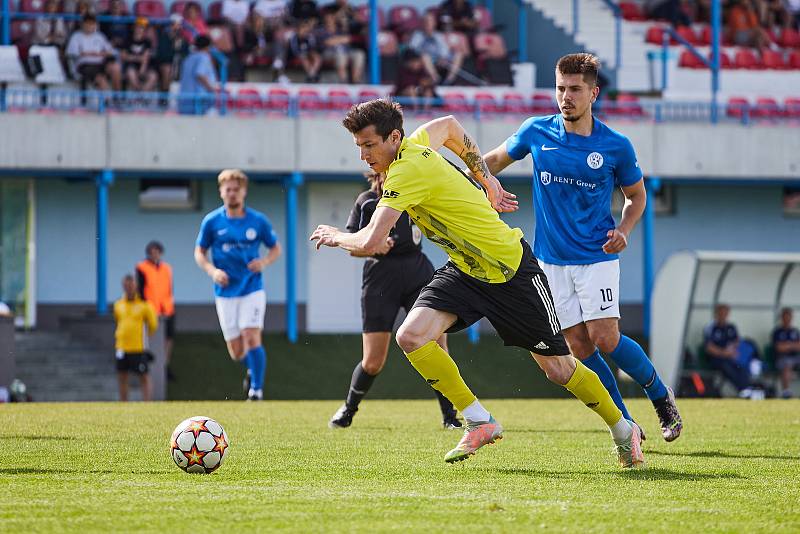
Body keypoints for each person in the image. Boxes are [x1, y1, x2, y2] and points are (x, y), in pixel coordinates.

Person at [310, 99, 645, 469]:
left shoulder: (405, 170)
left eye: (369, 145)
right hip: (467, 270)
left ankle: (621, 429)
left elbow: (372, 241)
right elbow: (451, 126)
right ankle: (478, 419)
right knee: (411, 336)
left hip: (510, 270)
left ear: (393, 137)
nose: (363, 155)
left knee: (559, 370)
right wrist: (485, 177)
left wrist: (336, 236)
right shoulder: (416, 142)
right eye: (358, 147)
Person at [479, 53, 682, 442]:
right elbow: (490, 163)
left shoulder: (615, 145)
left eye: (574, 89)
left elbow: (636, 197)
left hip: (597, 257)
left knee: (605, 337)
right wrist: (469, 180)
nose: (565, 96)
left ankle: (659, 394)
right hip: (550, 262)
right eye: (560, 88)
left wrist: (625, 227)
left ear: (593, 92)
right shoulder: (536, 131)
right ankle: (627, 424)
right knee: (577, 345)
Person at [328, 170, 461, 430]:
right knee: (373, 361)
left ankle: (450, 416)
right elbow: (351, 244)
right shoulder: (366, 201)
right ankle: (348, 409)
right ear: (376, 175)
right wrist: (372, 246)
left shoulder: (415, 195)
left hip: (417, 273)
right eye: (384, 172)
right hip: (380, 279)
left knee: (436, 347)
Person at [194, 169, 282, 401]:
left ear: (243, 192)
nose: (232, 193)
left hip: (252, 288)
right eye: (228, 189)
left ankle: (256, 390)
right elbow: (199, 252)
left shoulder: (258, 220)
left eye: (236, 189)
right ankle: (254, 368)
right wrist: (213, 271)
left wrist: (263, 262)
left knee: (251, 336)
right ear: (221, 192)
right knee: (237, 351)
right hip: (225, 292)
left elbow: (275, 248)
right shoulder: (212, 222)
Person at [113, 274, 158, 402]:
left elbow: (153, 325)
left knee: (143, 375)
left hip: (138, 347)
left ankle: (147, 402)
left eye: (131, 285)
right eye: (126, 286)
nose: (129, 288)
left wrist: (143, 337)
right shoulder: (118, 305)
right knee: (122, 376)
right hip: (121, 347)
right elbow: (117, 320)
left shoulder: (144, 305)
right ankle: (123, 403)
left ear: (136, 286)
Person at [136, 240, 176, 381]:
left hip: (166, 308)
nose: (155, 255)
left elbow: (169, 288)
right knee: (150, 336)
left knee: (169, 338)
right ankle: (147, 360)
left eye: (157, 252)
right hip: (150, 309)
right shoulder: (142, 267)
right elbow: (140, 289)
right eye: (152, 252)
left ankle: (165, 364)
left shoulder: (166, 268)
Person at [704, 304, 754, 397]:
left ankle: (747, 389)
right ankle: (742, 389)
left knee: (741, 366)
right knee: (727, 366)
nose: (723, 316)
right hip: (716, 358)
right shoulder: (710, 328)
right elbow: (709, 347)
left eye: (725, 313)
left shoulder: (731, 327)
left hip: (730, 356)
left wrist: (732, 351)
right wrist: (723, 353)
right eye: (721, 313)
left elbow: (737, 342)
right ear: (716, 314)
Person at [65, 15, 123, 92]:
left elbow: (111, 52)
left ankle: (118, 96)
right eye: (87, 24)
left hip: (101, 62)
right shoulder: (76, 36)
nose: (89, 26)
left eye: (92, 24)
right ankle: (108, 101)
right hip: (85, 64)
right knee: (101, 78)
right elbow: (72, 53)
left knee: (116, 67)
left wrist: (101, 54)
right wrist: (90, 53)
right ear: (82, 24)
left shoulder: (99, 36)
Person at [408, 11, 464, 86]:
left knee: (458, 54)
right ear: (422, 23)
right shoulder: (417, 35)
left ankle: (449, 80)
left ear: (434, 23)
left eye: (430, 21)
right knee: (425, 56)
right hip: (425, 60)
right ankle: (436, 80)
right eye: (426, 21)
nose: (428, 24)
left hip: (439, 60)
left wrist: (443, 58)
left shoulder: (439, 35)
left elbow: (445, 50)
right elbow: (412, 50)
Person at [178, 35, 218, 115]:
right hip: (198, 101)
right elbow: (200, 74)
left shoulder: (188, 58)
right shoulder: (204, 57)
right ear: (208, 47)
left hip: (184, 100)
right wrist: (212, 89)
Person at [121, 18, 159, 94]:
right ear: (134, 27)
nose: (139, 29)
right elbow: (123, 56)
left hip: (144, 66)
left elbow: (145, 57)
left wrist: (142, 68)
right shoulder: (127, 40)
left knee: (153, 76)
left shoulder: (147, 42)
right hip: (130, 67)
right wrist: (138, 58)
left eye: (142, 28)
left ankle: (142, 95)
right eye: (138, 27)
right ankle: (139, 94)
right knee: (131, 73)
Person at [772, 307, 800, 398]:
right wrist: (793, 345)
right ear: (782, 318)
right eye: (785, 317)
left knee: (791, 362)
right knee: (787, 364)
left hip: (796, 358)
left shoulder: (795, 331)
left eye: (789, 317)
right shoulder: (777, 332)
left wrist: (787, 345)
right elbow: (779, 348)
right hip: (781, 359)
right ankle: (786, 392)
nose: (787, 319)